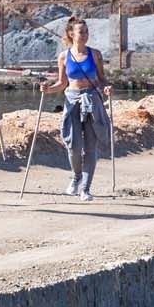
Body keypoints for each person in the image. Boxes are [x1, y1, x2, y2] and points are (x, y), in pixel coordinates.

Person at [39, 16, 112, 200]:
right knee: (73, 146)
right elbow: (62, 83)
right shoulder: (63, 56)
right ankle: (76, 177)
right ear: (72, 34)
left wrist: (107, 87)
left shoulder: (95, 54)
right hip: (72, 100)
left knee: (90, 147)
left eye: (86, 31)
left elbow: (102, 79)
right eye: (81, 31)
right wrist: (48, 90)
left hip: (92, 100)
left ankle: (85, 188)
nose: (85, 34)